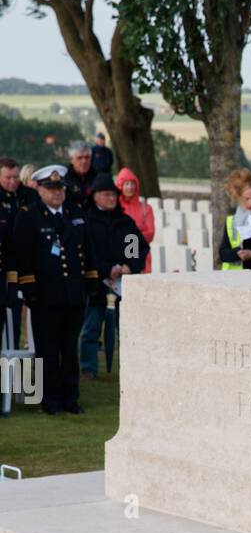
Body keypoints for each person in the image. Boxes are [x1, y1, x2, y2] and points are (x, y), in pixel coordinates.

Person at [13, 164, 101, 414]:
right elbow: (24, 255)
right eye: (51, 189)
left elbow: (89, 249)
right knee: (47, 350)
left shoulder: (76, 212)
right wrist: (28, 288)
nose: (57, 193)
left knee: (69, 349)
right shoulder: (29, 215)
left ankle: (70, 397)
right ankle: (49, 399)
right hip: (44, 294)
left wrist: (92, 281)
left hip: (73, 293)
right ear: (39, 189)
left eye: (60, 188)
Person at [80, 173, 149, 378]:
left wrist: (129, 266)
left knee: (125, 329)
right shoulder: (87, 221)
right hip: (97, 283)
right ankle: (88, 367)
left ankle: (128, 368)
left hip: (121, 285)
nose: (112, 198)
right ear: (95, 196)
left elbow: (136, 248)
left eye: (113, 195)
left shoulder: (124, 222)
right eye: (107, 194)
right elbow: (86, 252)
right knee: (91, 328)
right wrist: (106, 269)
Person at [0, 157, 38, 352]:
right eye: (7, 177)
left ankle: (15, 358)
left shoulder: (29, 196)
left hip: (24, 264)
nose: (12, 182)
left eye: (15, 177)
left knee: (18, 315)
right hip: (3, 265)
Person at [116, 167, 155, 274]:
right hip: (121, 256)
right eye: (126, 184)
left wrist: (129, 236)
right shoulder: (116, 208)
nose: (130, 187)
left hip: (142, 255)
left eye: (132, 183)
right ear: (120, 186)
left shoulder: (146, 208)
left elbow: (150, 234)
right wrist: (138, 232)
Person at [64, 141, 96, 210]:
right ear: (71, 160)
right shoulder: (64, 178)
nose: (84, 161)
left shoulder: (98, 177)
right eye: (79, 158)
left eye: (87, 157)